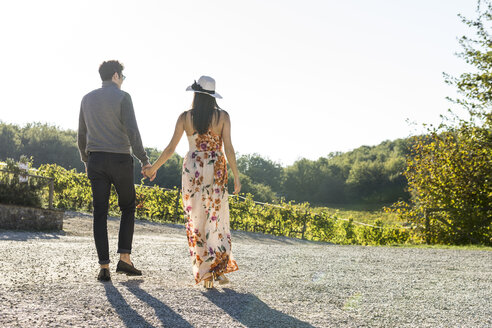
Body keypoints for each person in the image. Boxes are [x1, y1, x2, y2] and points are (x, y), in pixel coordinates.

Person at [144, 76, 240, 288]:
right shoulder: (223, 116)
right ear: (213, 96)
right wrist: (237, 176)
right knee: (216, 216)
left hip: (193, 168)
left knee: (197, 218)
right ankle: (218, 267)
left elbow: (170, 149)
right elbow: (230, 149)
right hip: (216, 167)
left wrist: (153, 169)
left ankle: (206, 271)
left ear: (195, 94)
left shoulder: (185, 117)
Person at [78, 60, 154, 281]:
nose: (122, 80)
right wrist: (144, 160)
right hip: (120, 159)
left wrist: (86, 161)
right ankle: (124, 258)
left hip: (96, 160)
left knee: (99, 212)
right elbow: (133, 131)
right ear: (115, 76)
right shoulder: (123, 97)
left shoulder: (87, 99)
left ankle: (104, 266)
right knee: (128, 206)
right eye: (122, 76)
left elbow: (81, 135)